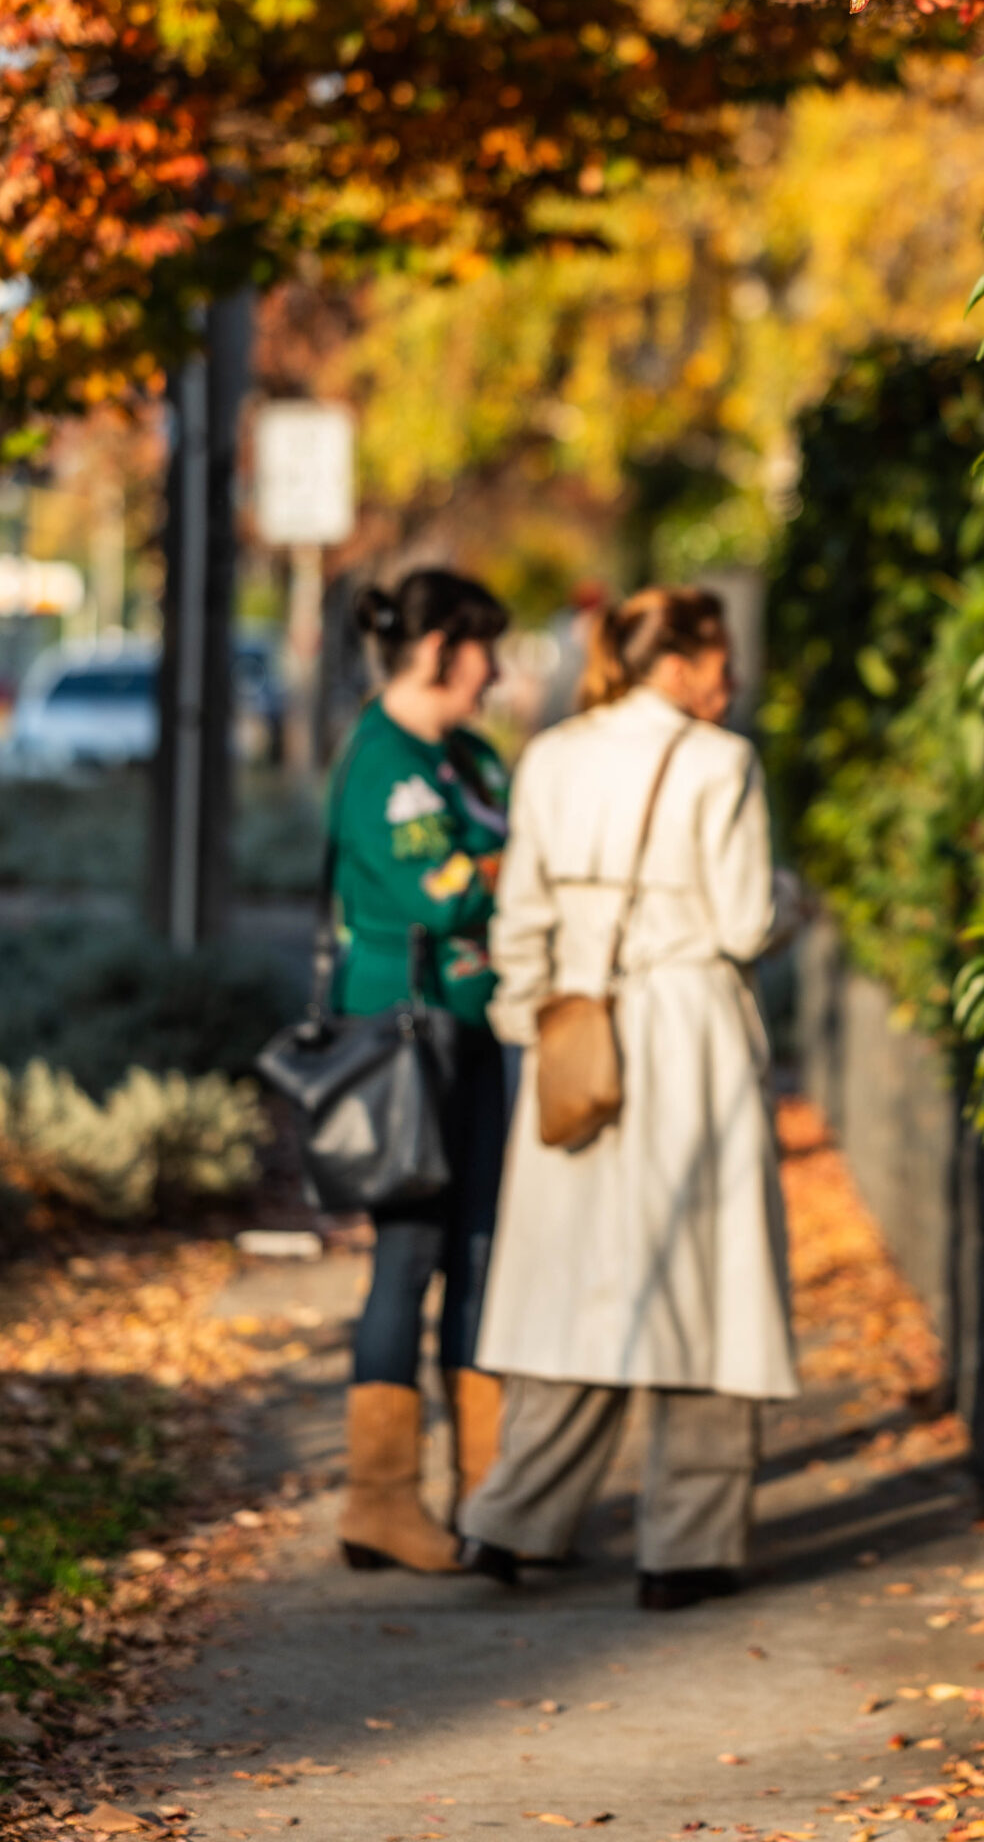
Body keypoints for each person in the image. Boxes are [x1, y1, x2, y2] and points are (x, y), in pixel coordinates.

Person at [459, 585, 799, 1609]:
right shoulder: (718, 760)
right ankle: (685, 1547)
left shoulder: (552, 753)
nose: (727, 677)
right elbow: (741, 920)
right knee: (706, 1279)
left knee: (571, 1279)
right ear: (685, 658)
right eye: (718, 656)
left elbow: (517, 911)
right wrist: (792, 897)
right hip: (686, 1024)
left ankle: (513, 1520)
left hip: (578, 1025)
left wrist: (531, 1016)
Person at [331, 567, 513, 1574]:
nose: (494, 671)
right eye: (484, 648)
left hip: (476, 1034)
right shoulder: (382, 763)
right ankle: (379, 1502)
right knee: (407, 1258)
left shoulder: (470, 760)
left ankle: (486, 1497)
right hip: (404, 1043)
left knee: (481, 1252)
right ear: (443, 648)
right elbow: (440, 890)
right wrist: (504, 873)